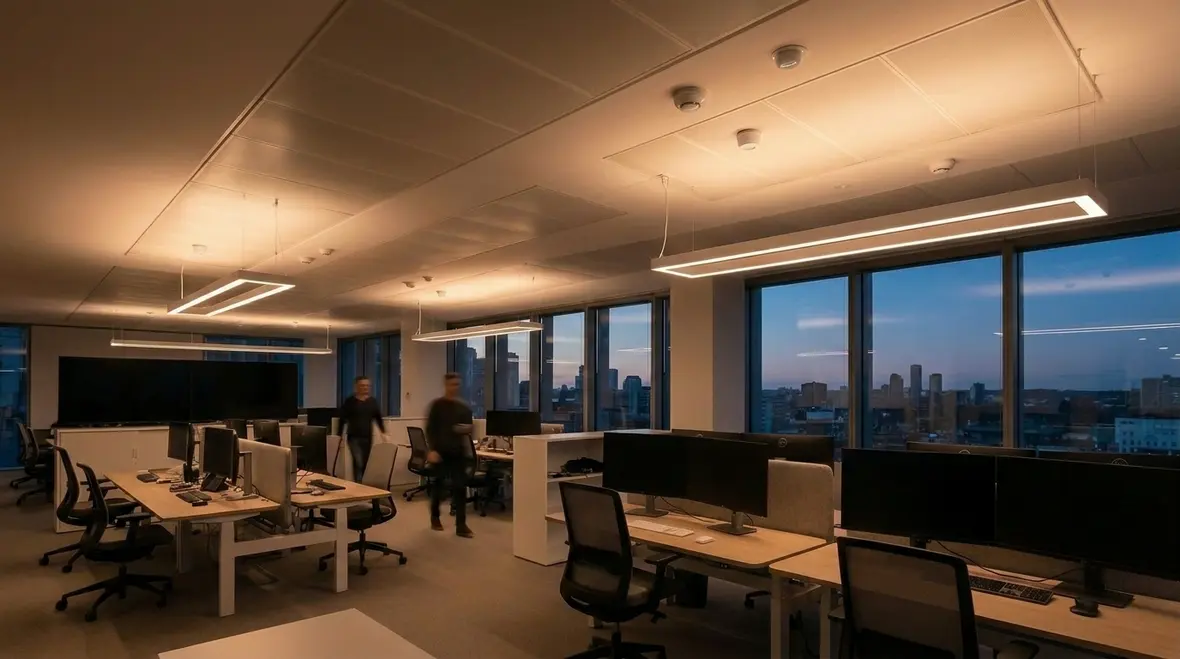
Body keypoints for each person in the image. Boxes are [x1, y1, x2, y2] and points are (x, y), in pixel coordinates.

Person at [426, 372, 475, 538]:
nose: (455, 388)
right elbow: (430, 429)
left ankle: (461, 524)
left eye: (457, 385)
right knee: (439, 487)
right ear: (446, 385)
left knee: (460, 488)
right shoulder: (437, 405)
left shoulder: (463, 407)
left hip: (457, 452)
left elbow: (469, 428)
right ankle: (435, 516)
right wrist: (431, 450)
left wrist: (464, 429)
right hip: (440, 451)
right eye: (452, 384)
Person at [340, 376, 385, 481]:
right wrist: (339, 436)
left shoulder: (372, 402)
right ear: (356, 387)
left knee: (365, 463)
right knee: (358, 462)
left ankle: (364, 487)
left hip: (367, 437)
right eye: (362, 385)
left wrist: (383, 432)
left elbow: (378, 417)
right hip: (353, 437)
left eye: (367, 386)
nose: (365, 388)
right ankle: (358, 485)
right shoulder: (350, 402)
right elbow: (342, 418)